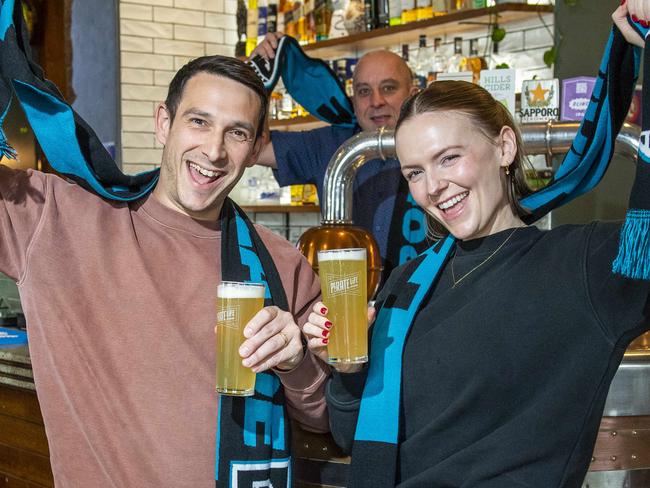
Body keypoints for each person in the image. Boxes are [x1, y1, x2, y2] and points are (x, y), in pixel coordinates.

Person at [302, 2, 650, 486]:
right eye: (415, 172)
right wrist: (347, 366)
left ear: (504, 147)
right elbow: (350, 433)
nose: (434, 186)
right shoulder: (406, 285)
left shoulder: (582, 267)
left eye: (449, 158)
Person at [0, 54, 329, 486]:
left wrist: (296, 364)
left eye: (237, 133)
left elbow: (325, 418)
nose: (214, 150)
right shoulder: (51, 216)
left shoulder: (281, 264)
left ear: (253, 149)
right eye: (199, 122)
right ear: (163, 123)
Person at [252, 34, 426, 281]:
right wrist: (257, 85)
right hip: (346, 303)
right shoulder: (330, 143)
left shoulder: (435, 142)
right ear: (353, 99)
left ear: (413, 93)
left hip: (422, 302)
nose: (376, 101)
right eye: (364, 91)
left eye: (388, 88)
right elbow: (255, 146)